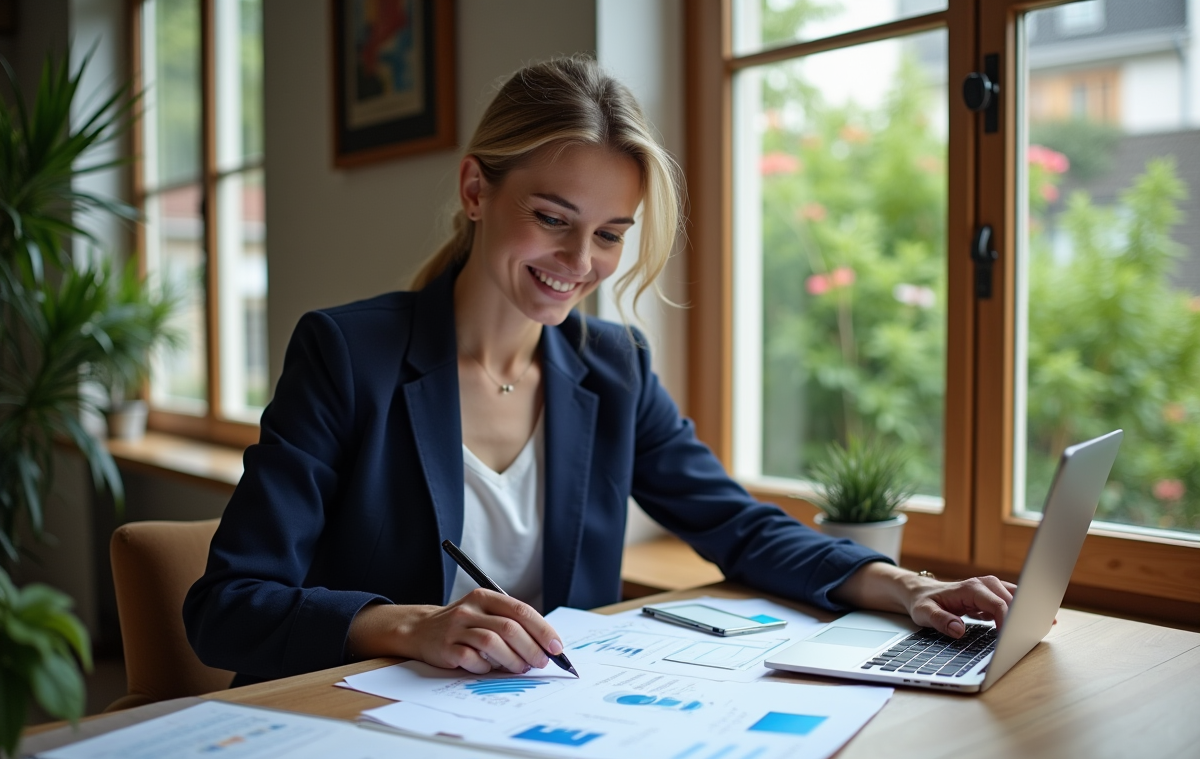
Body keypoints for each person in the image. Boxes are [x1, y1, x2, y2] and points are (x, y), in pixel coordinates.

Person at [184, 56, 1016, 686]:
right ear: (476, 189)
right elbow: (227, 607)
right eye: (552, 218)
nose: (580, 262)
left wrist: (903, 586)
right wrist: (410, 627)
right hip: (360, 727)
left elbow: (736, 526)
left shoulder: (611, 367)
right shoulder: (345, 354)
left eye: (611, 233)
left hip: (544, 726)